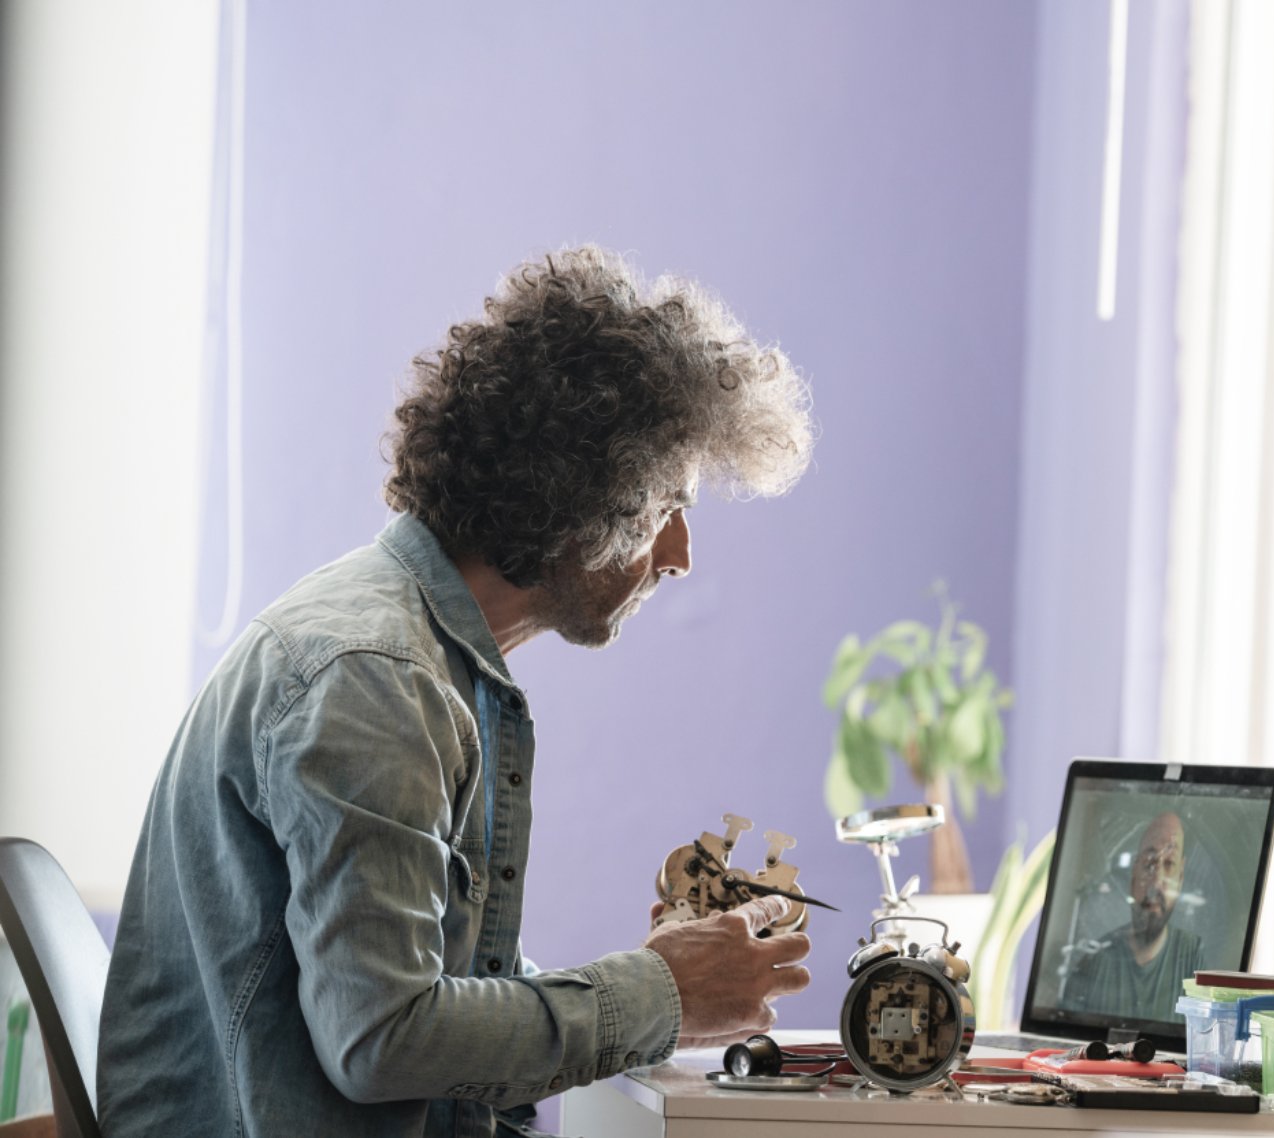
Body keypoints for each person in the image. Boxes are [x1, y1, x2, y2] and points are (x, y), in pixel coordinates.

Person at [97, 246, 817, 1137]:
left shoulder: (418, 659)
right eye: (667, 503)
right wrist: (661, 990)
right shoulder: (377, 681)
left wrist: (663, 987)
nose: (678, 555)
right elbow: (384, 1040)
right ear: (584, 494)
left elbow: (423, 1001)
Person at [1059, 812, 1202, 1022]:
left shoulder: (1194, 958)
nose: (1156, 881)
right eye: (1149, 863)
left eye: (1169, 864)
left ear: (1180, 879)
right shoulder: (1093, 962)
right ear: (1133, 873)